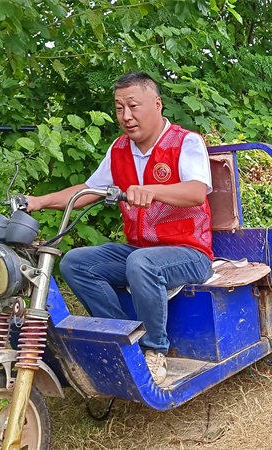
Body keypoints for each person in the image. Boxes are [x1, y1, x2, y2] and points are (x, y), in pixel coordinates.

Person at [26, 72, 214, 383]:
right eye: (118, 108)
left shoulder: (186, 142)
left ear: (157, 104)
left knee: (142, 263)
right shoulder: (119, 149)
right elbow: (88, 190)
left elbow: (196, 190)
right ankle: (127, 339)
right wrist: (40, 201)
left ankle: (155, 351)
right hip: (141, 251)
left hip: (189, 252)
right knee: (76, 262)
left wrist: (151, 190)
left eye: (133, 106)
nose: (126, 116)